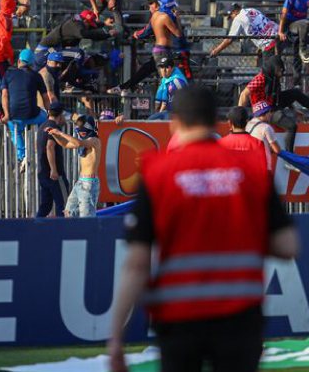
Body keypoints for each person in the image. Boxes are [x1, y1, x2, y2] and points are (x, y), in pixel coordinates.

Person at [107, 85, 299, 372]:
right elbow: (288, 247)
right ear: (215, 122)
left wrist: (116, 339)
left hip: (178, 315)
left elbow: (136, 264)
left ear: (175, 122)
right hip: (240, 315)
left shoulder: (158, 173)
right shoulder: (251, 172)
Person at [238, 56, 309, 153]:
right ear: (273, 68)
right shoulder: (261, 78)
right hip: (265, 111)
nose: (281, 74)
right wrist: (238, 117)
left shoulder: (274, 77)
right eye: (279, 71)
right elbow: (243, 94)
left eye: (281, 71)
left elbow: (280, 96)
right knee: (291, 126)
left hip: (273, 104)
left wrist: (294, 110)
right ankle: (289, 158)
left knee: (296, 92)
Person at [1, 49, 49, 166]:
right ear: (32, 64)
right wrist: (50, 114)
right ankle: (40, 146)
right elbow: (45, 98)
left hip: (15, 115)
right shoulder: (36, 76)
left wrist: (7, 115)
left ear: (18, 61)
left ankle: (22, 156)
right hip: (33, 114)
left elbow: (4, 95)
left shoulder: (8, 74)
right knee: (44, 117)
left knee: (15, 130)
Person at [46, 114, 101, 217]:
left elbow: (77, 143)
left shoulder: (94, 141)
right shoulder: (84, 141)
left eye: (82, 132)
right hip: (80, 182)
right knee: (68, 213)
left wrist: (60, 133)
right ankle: (73, 233)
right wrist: (54, 134)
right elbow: (65, 144)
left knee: (86, 218)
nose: (80, 134)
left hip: (89, 184)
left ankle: (88, 233)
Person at [108, 0, 161, 95]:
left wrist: (136, 34)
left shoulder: (157, 15)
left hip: (163, 51)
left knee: (155, 75)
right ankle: (124, 86)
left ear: (157, 4)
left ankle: (124, 87)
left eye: (150, 5)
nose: (149, 8)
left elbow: (146, 31)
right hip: (167, 51)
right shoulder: (171, 14)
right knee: (147, 70)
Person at [208, 3, 281, 61]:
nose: (232, 19)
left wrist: (217, 50)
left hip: (269, 44)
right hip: (280, 35)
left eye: (231, 16)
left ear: (234, 12)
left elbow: (229, 39)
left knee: (269, 73)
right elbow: (262, 25)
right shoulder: (252, 10)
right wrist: (260, 47)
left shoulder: (238, 19)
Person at [36, 102, 68, 218]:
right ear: (61, 115)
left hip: (42, 173)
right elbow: (49, 146)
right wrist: (54, 170)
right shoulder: (54, 127)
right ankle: (63, 233)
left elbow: (39, 147)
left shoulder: (41, 126)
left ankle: (35, 227)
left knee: (46, 205)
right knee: (64, 206)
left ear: (48, 112)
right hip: (55, 175)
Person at [148, 0, 190, 79]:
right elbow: (178, 34)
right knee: (166, 78)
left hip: (158, 49)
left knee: (164, 78)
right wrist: (177, 18)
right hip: (164, 51)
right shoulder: (165, 17)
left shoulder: (155, 15)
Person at [219, 106, 269, 170]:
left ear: (230, 123)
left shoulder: (221, 143)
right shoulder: (258, 143)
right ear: (247, 122)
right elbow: (262, 169)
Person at [149, 55, 188, 120]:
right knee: (150, 121)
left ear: (172, 68)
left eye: (166, 67)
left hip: (178, 114)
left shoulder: (177, 80)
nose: (163, 70)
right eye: (161, 67)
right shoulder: (165, 79)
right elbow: (159, 98)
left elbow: (186, 100)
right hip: (168, 112)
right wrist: (157, 111)